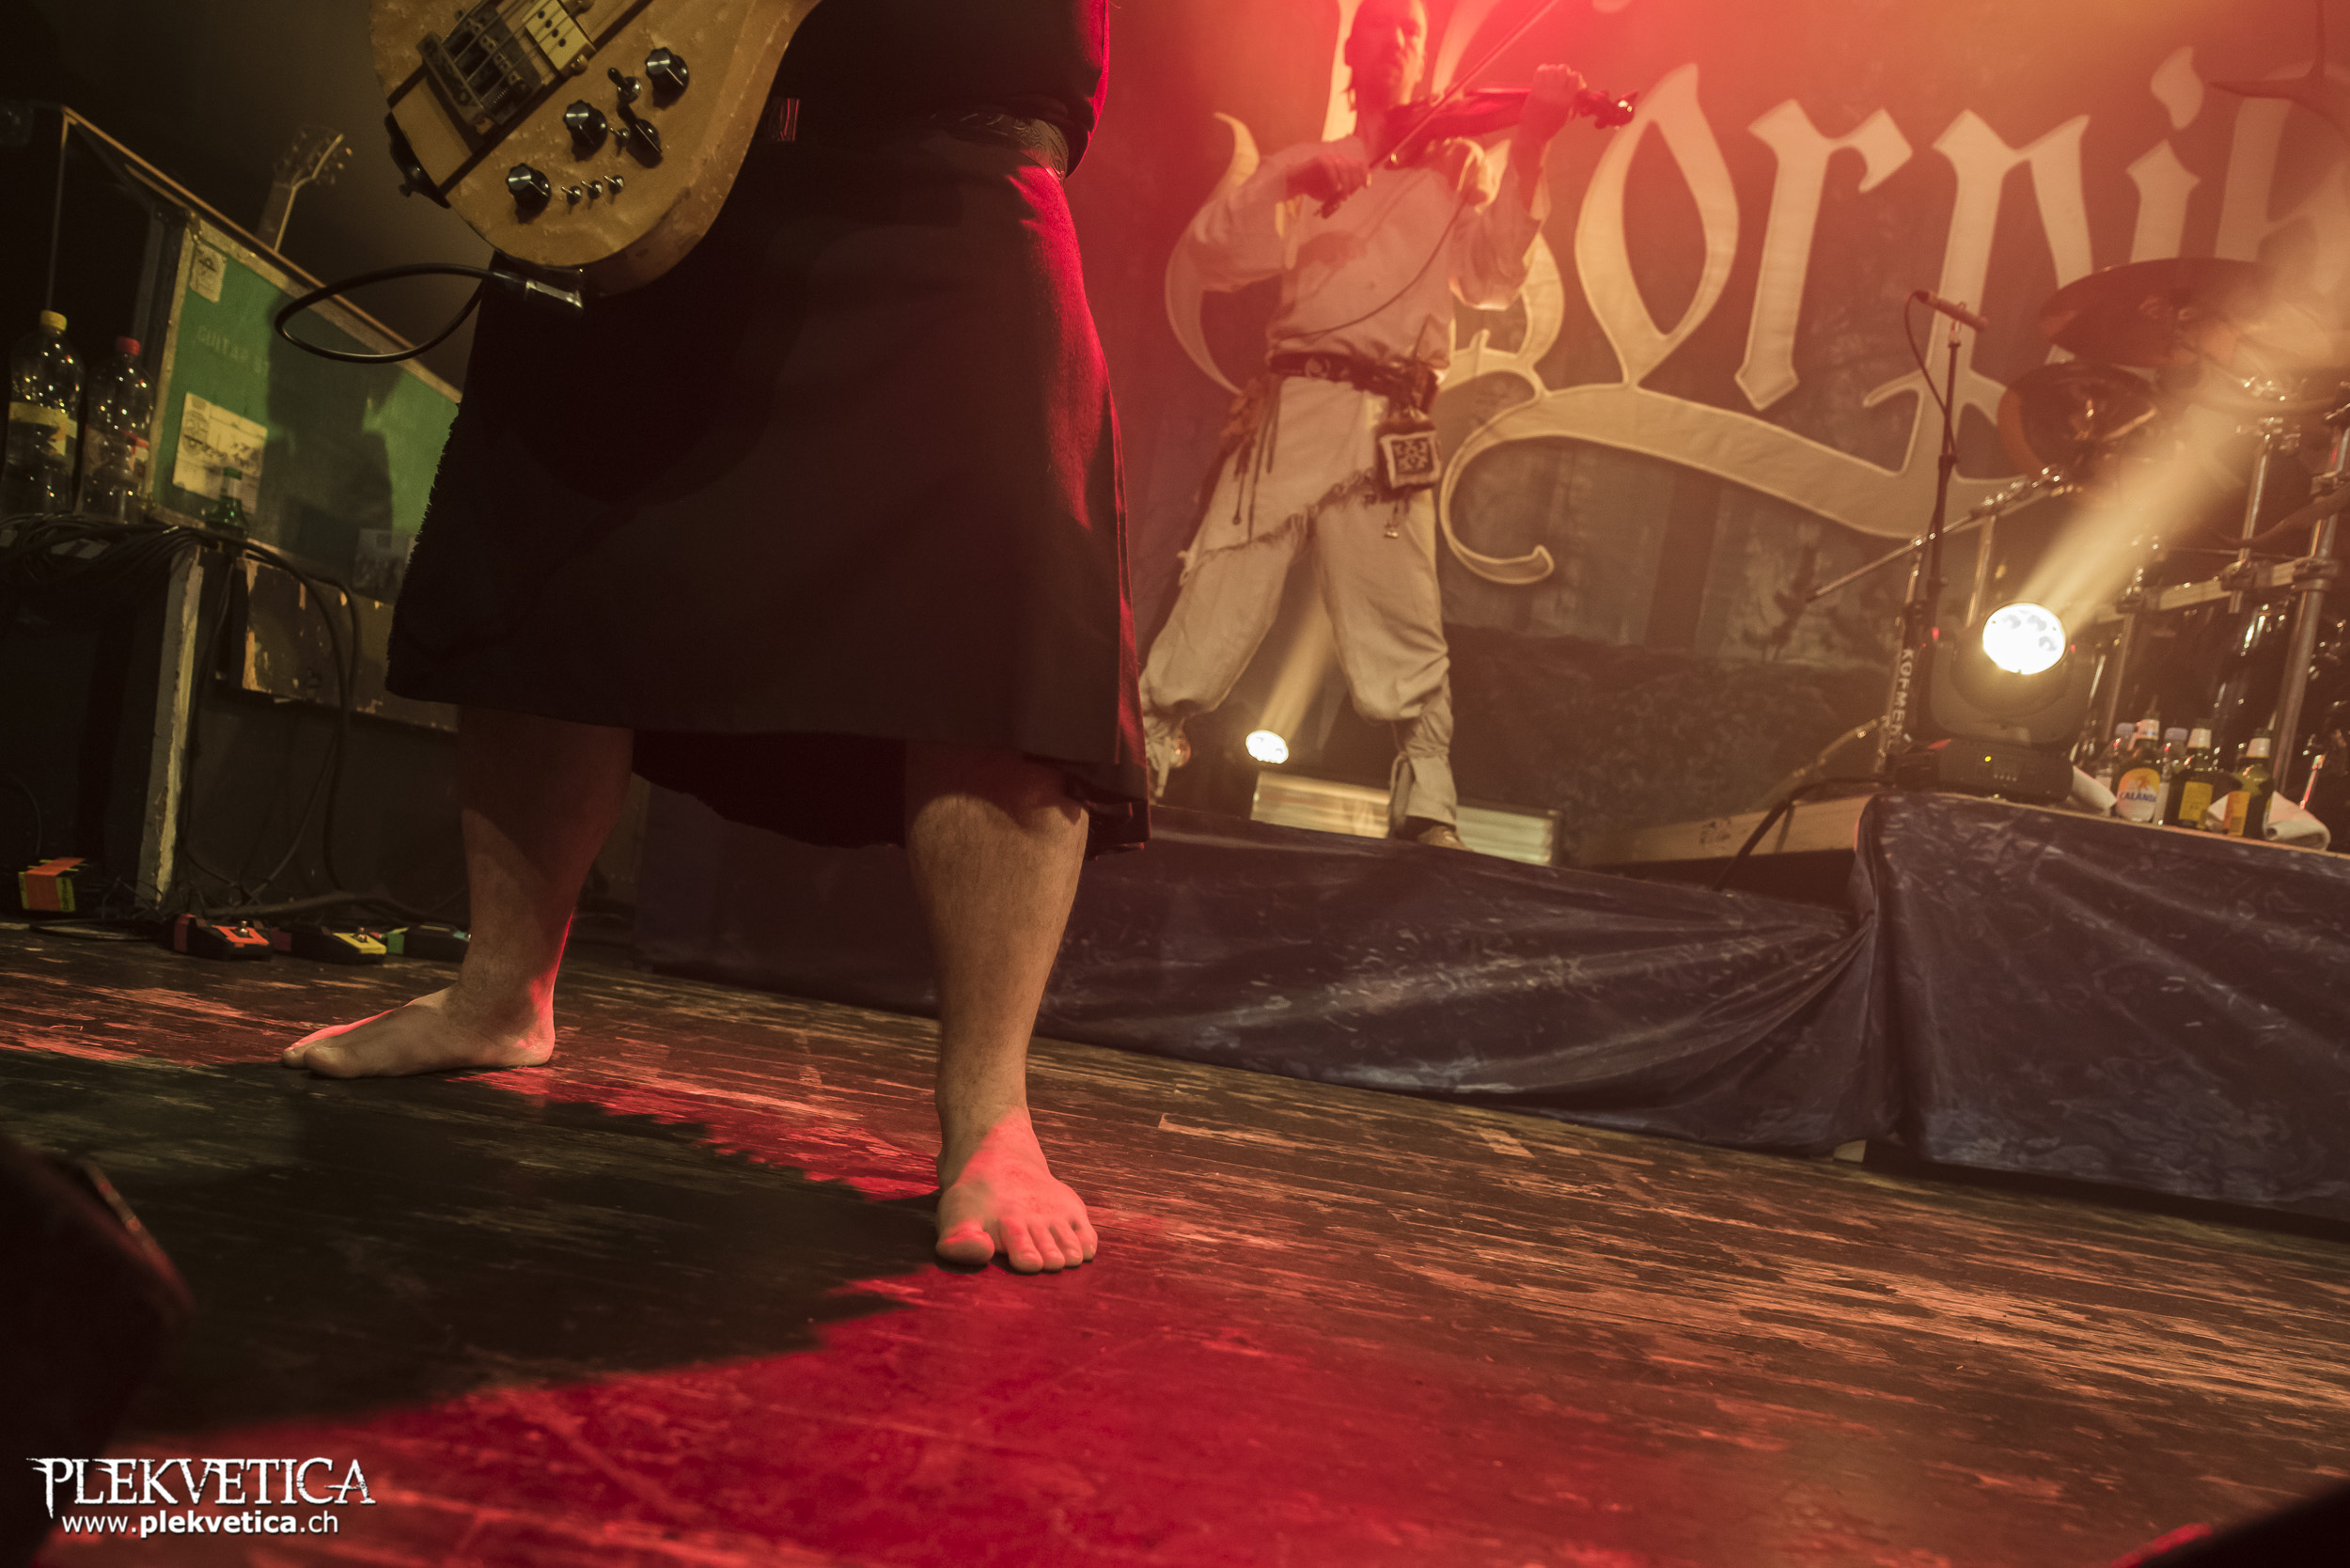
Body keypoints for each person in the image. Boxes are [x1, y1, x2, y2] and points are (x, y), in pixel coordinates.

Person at [279, 0, 1141, 1277]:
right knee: (545, 538)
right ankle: (500, 991)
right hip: (658, 148)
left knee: (998, 605)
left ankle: (990, 1117)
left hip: (951, 159)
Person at [1140, 0, 1582, 848]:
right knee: (1225, 579)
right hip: (1297, 402)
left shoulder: (1453, 168)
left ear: (1420, 55)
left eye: (1407, 33)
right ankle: (1148, 752)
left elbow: (1492, 278)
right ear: (1352, 51)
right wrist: (1289, 178)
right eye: (1376, 29)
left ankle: (1428, 798)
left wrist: (1531, 145)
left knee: (1401, 602)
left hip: (1394, 417)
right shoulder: (1312, 166)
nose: (1392, 44)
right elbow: (1213, 253)